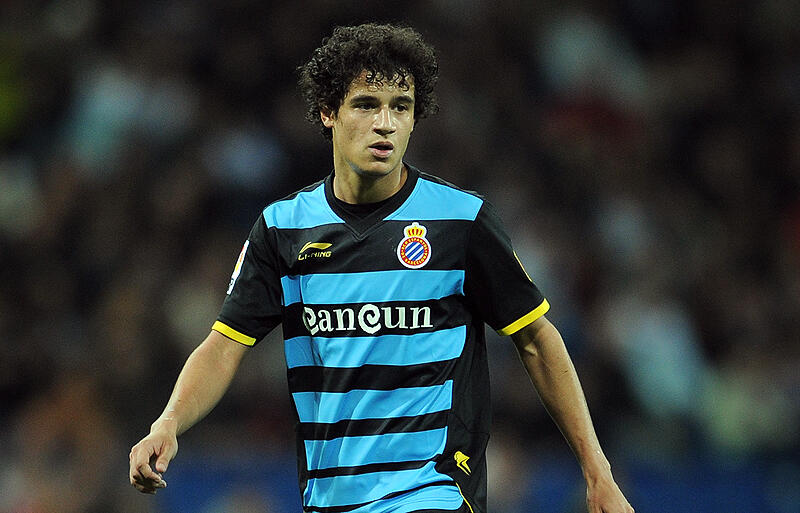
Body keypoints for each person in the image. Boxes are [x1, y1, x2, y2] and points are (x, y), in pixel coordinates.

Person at [129, 23, 634, 513]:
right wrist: (168, 423)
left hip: (433, 490)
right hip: (330, 497)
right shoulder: (283, 228)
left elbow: (538, 340)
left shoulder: (460, 222)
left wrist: (597, 470)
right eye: (366, 104)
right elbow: (223, 346)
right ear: (328, 111)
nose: (386, 123)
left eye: (401, 106)